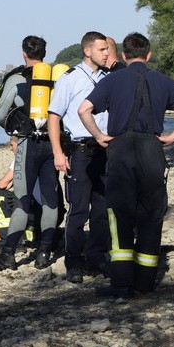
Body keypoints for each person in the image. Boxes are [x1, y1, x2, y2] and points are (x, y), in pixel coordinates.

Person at [78, 32, 174, 298]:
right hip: (152, 150)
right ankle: (145, 283)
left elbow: (83, 110)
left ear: (123, 55)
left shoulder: (112, 80)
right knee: (151, 215)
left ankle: (121, 283)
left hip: (121, 150)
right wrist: (172, 137)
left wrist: (99, 136)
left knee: (119, 215)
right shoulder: (164, 82)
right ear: (148, 55)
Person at [0, 36, 60, 271]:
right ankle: (45, 252)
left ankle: (8, 255)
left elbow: (0, 114)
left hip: (29, 142)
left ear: (23, 53)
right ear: (44, 54)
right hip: (53, 142)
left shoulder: (16, 79)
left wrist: (14, 132)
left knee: (22, 199)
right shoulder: (57, 78)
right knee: (50, 198)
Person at [48, 31, 111, 284]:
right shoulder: (70, 79)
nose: (107, 53)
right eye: (102, 49)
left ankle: (97, 257)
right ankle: (73, 261)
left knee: (102, 208)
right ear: (88, 51)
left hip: (104, 149)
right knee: (78, 209)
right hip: (80, 149)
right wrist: (58, 153)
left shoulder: (108, 78)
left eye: (107, 49)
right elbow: (54, 117)